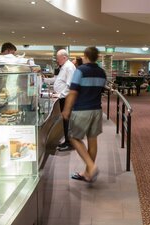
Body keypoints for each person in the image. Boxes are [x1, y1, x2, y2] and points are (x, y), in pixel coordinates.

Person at [62, 47, 106, 182]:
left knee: (74, 138)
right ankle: (87, 173)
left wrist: (66, 110)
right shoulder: (102, 72)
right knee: (92, 139)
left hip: (81, 110)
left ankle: (91, 167)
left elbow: (73, 92)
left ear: (85, 56)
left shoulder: (80, 71)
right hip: (97, 110)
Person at [44, 49, 76, 151]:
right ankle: (67, 141)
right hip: (64, 97)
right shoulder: (65, 66)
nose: (57, 61)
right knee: (66, 121)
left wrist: (60, 94)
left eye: (58, 58)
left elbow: (70, 85)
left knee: (68, 121)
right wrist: (45, 79)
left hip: (67, 98)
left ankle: (70, 143)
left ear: (64, 57)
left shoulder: (69, 67)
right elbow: (59, 80)